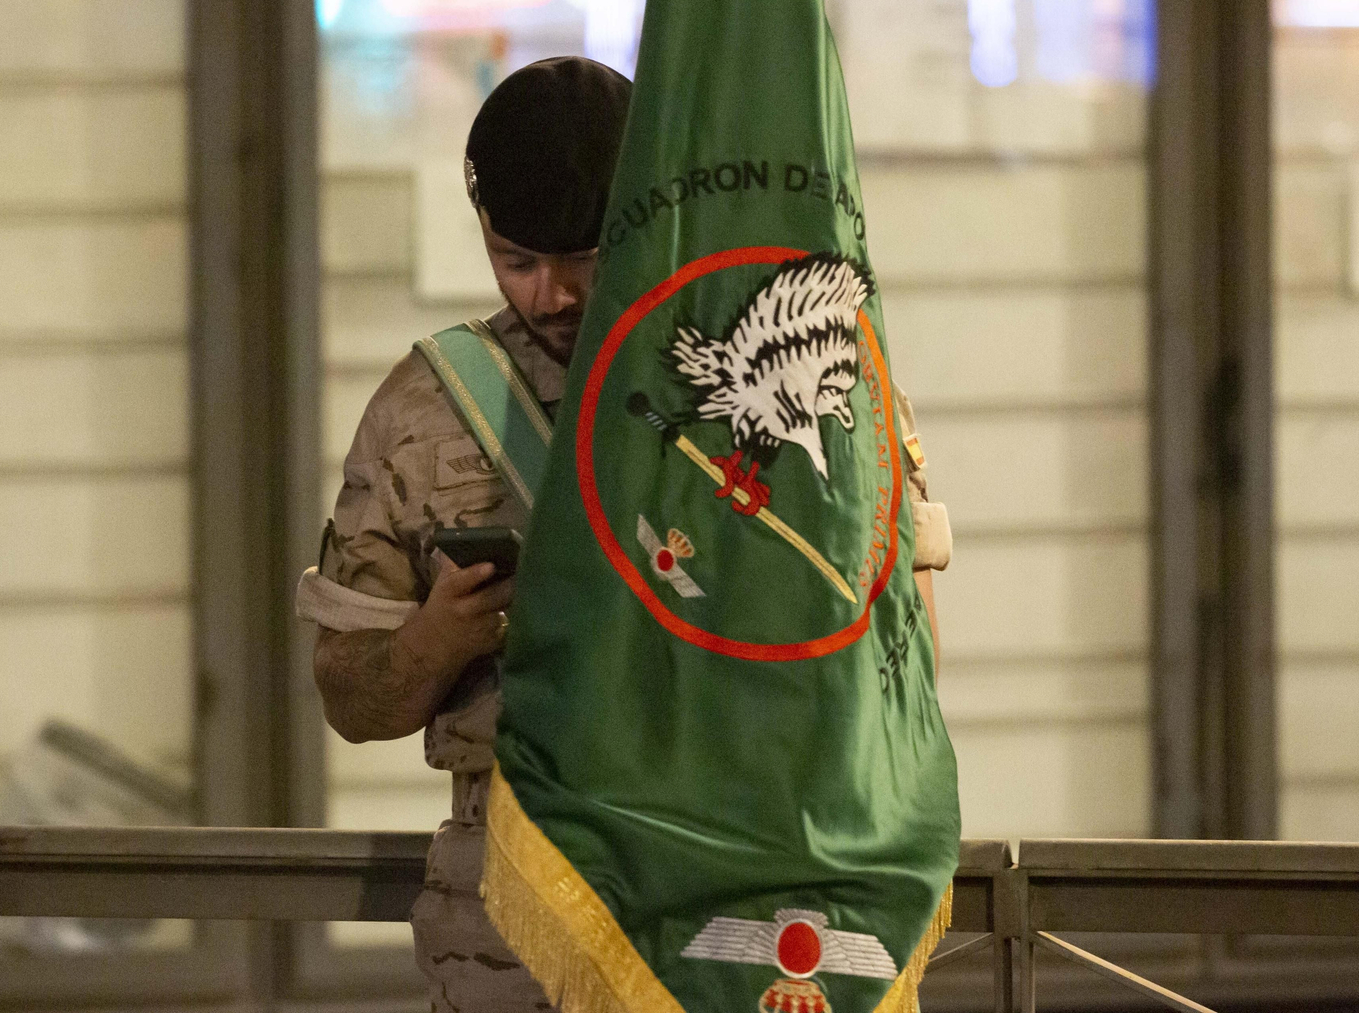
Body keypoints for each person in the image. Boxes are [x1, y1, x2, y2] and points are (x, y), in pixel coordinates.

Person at [295, 56, 953, 1013]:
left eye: (584, 255)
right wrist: (437, 639)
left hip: (743, 895)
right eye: (517, 260)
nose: (552, 295)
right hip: (519, 915)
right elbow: (349, 695)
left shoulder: (786, 367)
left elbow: (909, 640)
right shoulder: (429, 409)